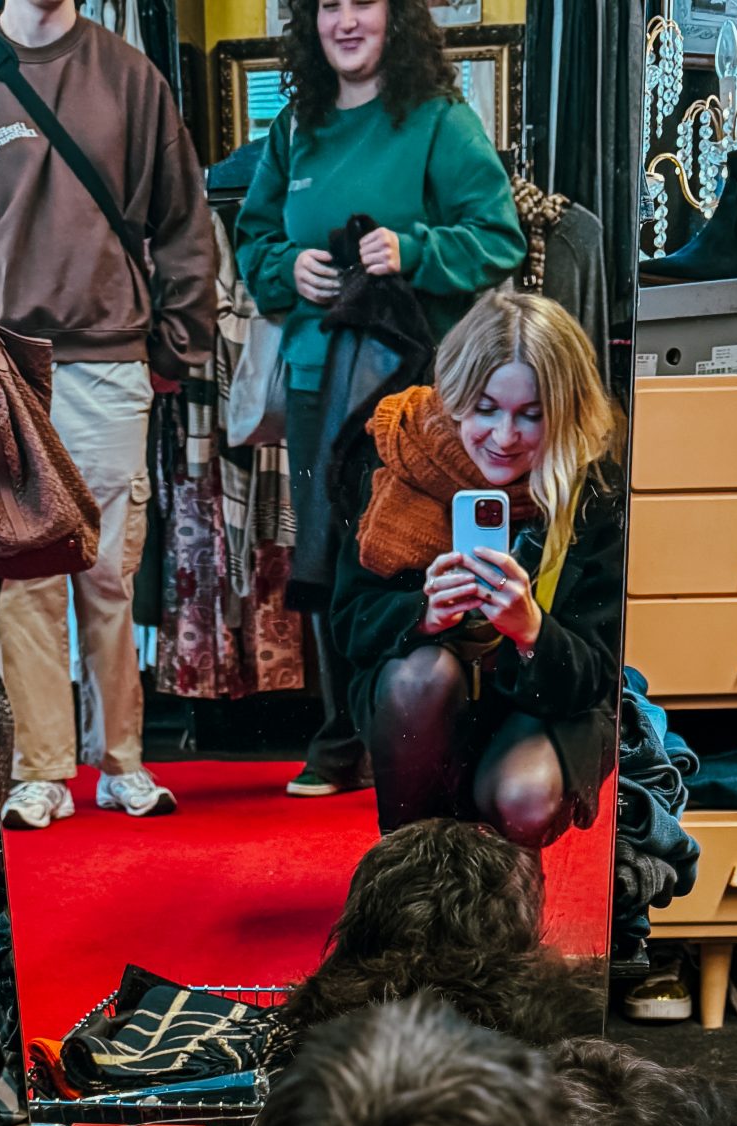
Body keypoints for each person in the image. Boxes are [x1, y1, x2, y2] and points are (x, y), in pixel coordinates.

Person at [0, 0, 217, 829]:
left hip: (108, 358)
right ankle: (41, 770)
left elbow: (185, 223)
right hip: (0, 364)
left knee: (107, 571)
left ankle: (121, 759)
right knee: (22, 571)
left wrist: (176, 346)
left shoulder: (130, 76)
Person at [235, 0, 525, 799]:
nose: (345, 21)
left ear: (395, 16)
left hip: (413, 387)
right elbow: (254, 239)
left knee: (402, 550)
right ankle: (342, 737)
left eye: (361, 2)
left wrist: (413, 249)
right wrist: (286, 268)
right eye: (328, 6)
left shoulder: (438, 120)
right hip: (313, 382)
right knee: (326, 555)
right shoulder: (295, 128)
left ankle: (408, 730)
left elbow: (499, 236)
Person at [332, 289, 627, 852]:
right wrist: (423, 616)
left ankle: (504, 883)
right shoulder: (404, 455)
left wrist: (532, 631)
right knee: (421, 676)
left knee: (525, 796)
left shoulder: (593, 490)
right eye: (486, 409)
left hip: (545, 707)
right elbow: (350, 623)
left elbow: (598, 677)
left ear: (564, 411)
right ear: (455, 397)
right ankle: (410, 870)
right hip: (422, 699)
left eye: (531, 415)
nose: (505, 437)